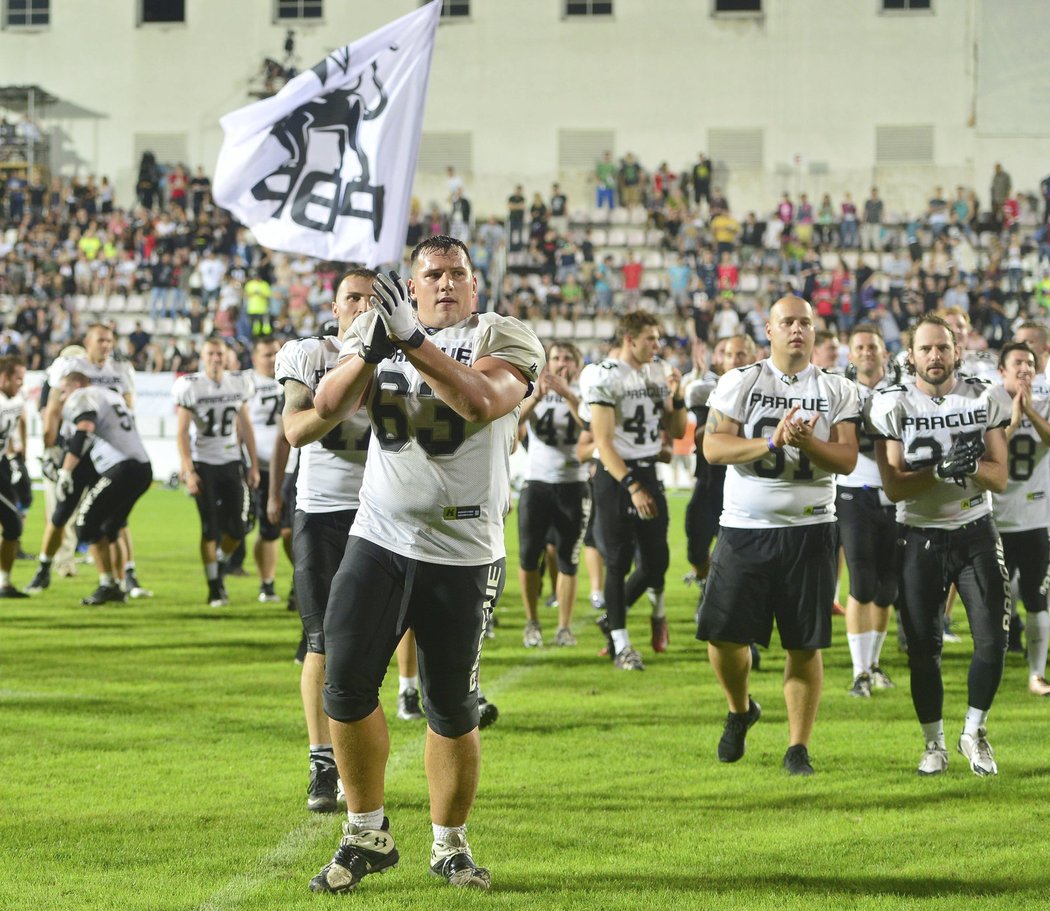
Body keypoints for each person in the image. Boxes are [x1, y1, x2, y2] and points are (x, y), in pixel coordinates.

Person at [308, 235, 544, 893]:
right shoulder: (380, 328)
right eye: (432, 273)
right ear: (412, 285)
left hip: (463, 552)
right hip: (379, 535)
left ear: (475, 282)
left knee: (450, 704)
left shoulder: (506, 332)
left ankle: (450, 844)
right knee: (345, 685)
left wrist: (412, 341)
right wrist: (369, 347)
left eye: (457, 273)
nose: (445, 283)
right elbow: (326, 407)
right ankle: (366, 831)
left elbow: (479, 401)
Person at [276, 267, 426, 815]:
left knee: (376, 643)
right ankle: (322, 760)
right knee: (320, 642)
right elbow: (294, 431)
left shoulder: (406, 354)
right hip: (322, 512)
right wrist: (349, 382)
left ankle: (410, 707)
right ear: (334, 308)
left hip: (382, 515)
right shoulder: (307, 354)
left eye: (372, 297)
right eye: (353, 298)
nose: (364, 305)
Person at [697, 295, 860, 776]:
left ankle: (797, 747)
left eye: (805, 323)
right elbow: (712, 446)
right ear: (768, 329)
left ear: (815, 332)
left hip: (811, 527)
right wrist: (771, 441)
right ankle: (741, 707)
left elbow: (848, 459)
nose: (796, 330)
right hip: (745, 527)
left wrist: (810, 443)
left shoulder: (837, 388)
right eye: (787, 321)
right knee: (722, 637)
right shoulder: (741, 380)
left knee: (803, 643)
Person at [869, 314, 1011, 776]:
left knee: (993, 639)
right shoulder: (893, 403)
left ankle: (975, 730)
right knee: (923, 648)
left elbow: (1001, 477)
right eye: (926, 349)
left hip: (975, 528)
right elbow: (893, 487)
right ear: (911, 355)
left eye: (942, 348)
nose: (935, 356)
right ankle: (934, 743)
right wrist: (938, 470)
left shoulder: (984, 394)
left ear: (957, 351)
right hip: (919, 534)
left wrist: (966, 469)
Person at [582, 312, 687, 670]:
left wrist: (679, 394)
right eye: (651, 339)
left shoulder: (657, 372)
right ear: (630, 339)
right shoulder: (605, 376)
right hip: (617, 477)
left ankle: (612, 616)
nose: (657, 346)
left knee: (657, 562)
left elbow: (675, 427)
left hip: (648, 470)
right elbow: (603, 442)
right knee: (618, 561)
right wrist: (631, 486)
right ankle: (621, 644)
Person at [29, 327, 149, 598]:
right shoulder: (70, 366)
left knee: (116, 521)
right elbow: (53, 410)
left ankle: (125, 575)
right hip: (78, 451)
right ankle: (44, 569)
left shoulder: (120, 369)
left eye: (110, 340)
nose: (106, 345)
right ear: (87, 343)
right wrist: (50, 450)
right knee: (61, 514)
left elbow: (128, 410)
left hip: (108, 454)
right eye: (100, 340)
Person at [174, 337, 260, 607]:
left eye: (219, 353)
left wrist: (253, 464)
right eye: (210, 353)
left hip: (231, 461)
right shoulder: (191, 385)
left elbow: (246, 427)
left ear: (227, 357)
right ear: (202, 356)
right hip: (204, 463)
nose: (215, 358)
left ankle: (220, 564)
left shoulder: (238, 382)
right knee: (210, 527)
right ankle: (214, 586)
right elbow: (181, 433)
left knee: (239, 527)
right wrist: (188, 469)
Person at [838, 324, 899, 697]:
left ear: (883, 353)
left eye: (872, 347)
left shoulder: (901, 392)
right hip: (854, 491)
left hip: (894, 493)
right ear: (850, 354)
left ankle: (874, 664)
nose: (866, 352)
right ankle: (859, 670)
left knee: (887, 587)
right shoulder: (843, 392)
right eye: (859, 347)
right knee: (861, 583)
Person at [58, 372, 153, 605]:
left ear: (77, 384)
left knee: (84, 524)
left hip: (122, 467)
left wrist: (66, 470)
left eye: (64, 390)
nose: (63, 397)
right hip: (142, 467)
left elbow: (84, 426)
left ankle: (107, 584)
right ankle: (119, 586)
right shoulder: (111, 396)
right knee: (112, 527)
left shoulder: (83, 395)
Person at [517, 342, 588, 647]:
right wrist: (537, 398)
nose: (561, 364)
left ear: (577, 365)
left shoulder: (586, 394)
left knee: (569, 558)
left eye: (568, 359)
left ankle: (564, 626)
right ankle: (532, 621)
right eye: (556, 358)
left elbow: (591, 427)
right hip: (537, 483)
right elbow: (512, 421)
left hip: (574, 483)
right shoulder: (532, 391)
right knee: (529, 556)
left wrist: (569, 395)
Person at [990, 342, 1050, 696]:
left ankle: (1036, 674)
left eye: (1030, 363)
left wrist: (1031, 413)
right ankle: (991, 671)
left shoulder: (1045, 402)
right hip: (993, 518)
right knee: (993, 603)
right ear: (1002, 370)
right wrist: (1012, 421)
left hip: (1034, 519)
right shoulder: (987, 402)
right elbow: (983, 451)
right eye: (1018, 363)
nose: (1025, 368)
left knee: (1037, 597)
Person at [246, 337, 285, 604]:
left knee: (290, 529)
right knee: (268, 528)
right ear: (254, 358)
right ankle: (267, 582)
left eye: (276, 354)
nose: (272, 359)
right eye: (267, 354)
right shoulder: (246, 383)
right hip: (259, 468)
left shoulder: (292, 375)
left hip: (292, 466)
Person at [0, 356, 29, 598]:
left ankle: (4, 583)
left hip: (2, 465)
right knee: (13, 521)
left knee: (13, 525)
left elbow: (12, 428)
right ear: (4, 377)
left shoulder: (16, 398)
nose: (21, 383)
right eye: (18, 378)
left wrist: (14, 453)